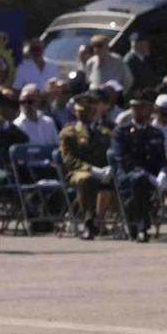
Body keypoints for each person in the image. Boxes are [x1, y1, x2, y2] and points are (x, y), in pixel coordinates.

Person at [109, 91, 167, 242]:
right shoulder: (121, 132)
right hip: (131, 174)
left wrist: (163, 172)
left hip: (154, 174)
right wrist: (147, 175)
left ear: (150, 109)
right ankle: (141, 228)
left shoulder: (156, 133)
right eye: (135, 107)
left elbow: (161, 159)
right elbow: (123, 159)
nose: (139, 110)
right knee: (140, 180)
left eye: (143, 107)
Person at [58, 92, 114, 240]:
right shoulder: (69, 133)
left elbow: (111, 154)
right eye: (81, 112)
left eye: (89, 111)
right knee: (87, 180)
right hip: (78, 172)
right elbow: (68, 159)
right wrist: (91, 169)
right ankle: (89, 223)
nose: (85, 115)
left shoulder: (105, 132)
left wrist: (110, 167)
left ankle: (132, 223)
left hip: (103, 171)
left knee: (122, 179)